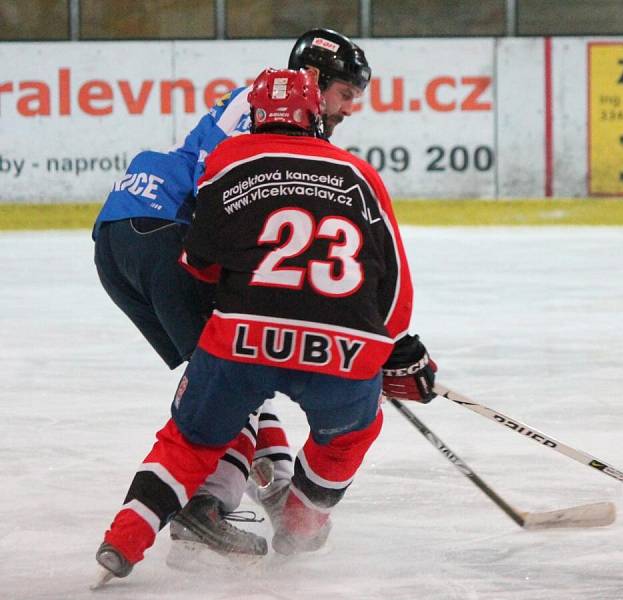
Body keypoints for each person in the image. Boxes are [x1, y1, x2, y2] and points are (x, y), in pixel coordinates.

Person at [94, 67, 436, 583]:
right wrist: (387, 346)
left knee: (197, 422)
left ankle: (129, 536)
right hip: (334, 344)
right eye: (342, 98)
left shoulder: (228, 152)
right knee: (348, 431)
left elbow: (202, 258)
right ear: (313, 110)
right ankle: (271, 512)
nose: (346, 109)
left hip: (130, 250)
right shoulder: (356, 171)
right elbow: (390, 276)